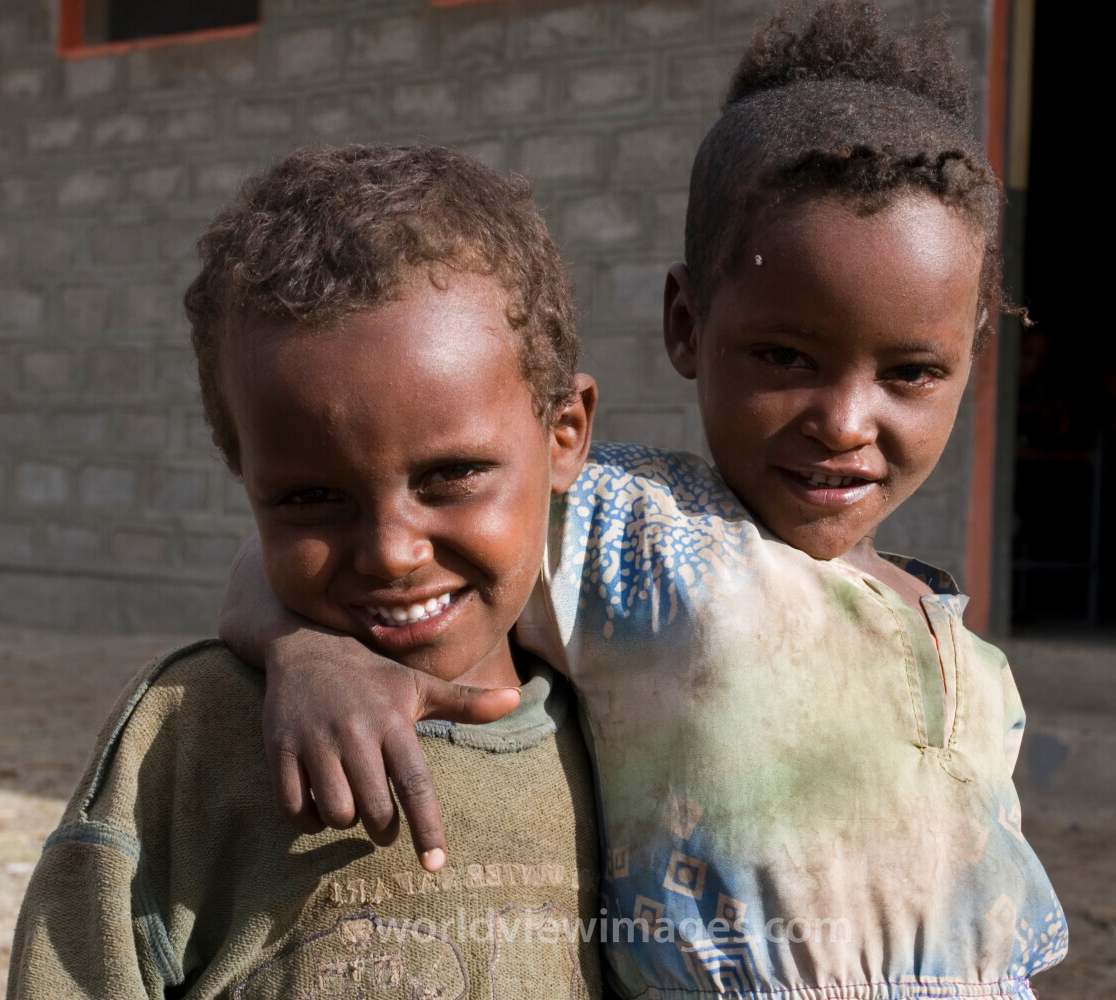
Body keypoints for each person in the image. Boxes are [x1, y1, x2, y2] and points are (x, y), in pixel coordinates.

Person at [220, 3, 1069, 997]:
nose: (845, 419)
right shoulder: (635, 542)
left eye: (912, 372)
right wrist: (309, 653)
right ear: (686, 323)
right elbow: (317, 560)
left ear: (975, 359)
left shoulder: (968, 658)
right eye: (784, 356)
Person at [6, 144, 605, 1000]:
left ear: (564, 434)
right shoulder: (196, 734)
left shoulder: (624, 709)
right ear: (243, 474)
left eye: (452, 476)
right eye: (313, 497)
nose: (393, 551)